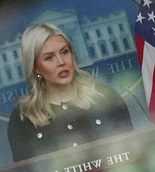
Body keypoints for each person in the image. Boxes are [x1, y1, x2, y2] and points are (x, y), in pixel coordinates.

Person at [7, 22, 134, 162]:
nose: (61, 62)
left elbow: (132, 154)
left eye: (64, 52)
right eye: (49, 57)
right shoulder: (23, 116)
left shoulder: (104, 96)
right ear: (35, 67)